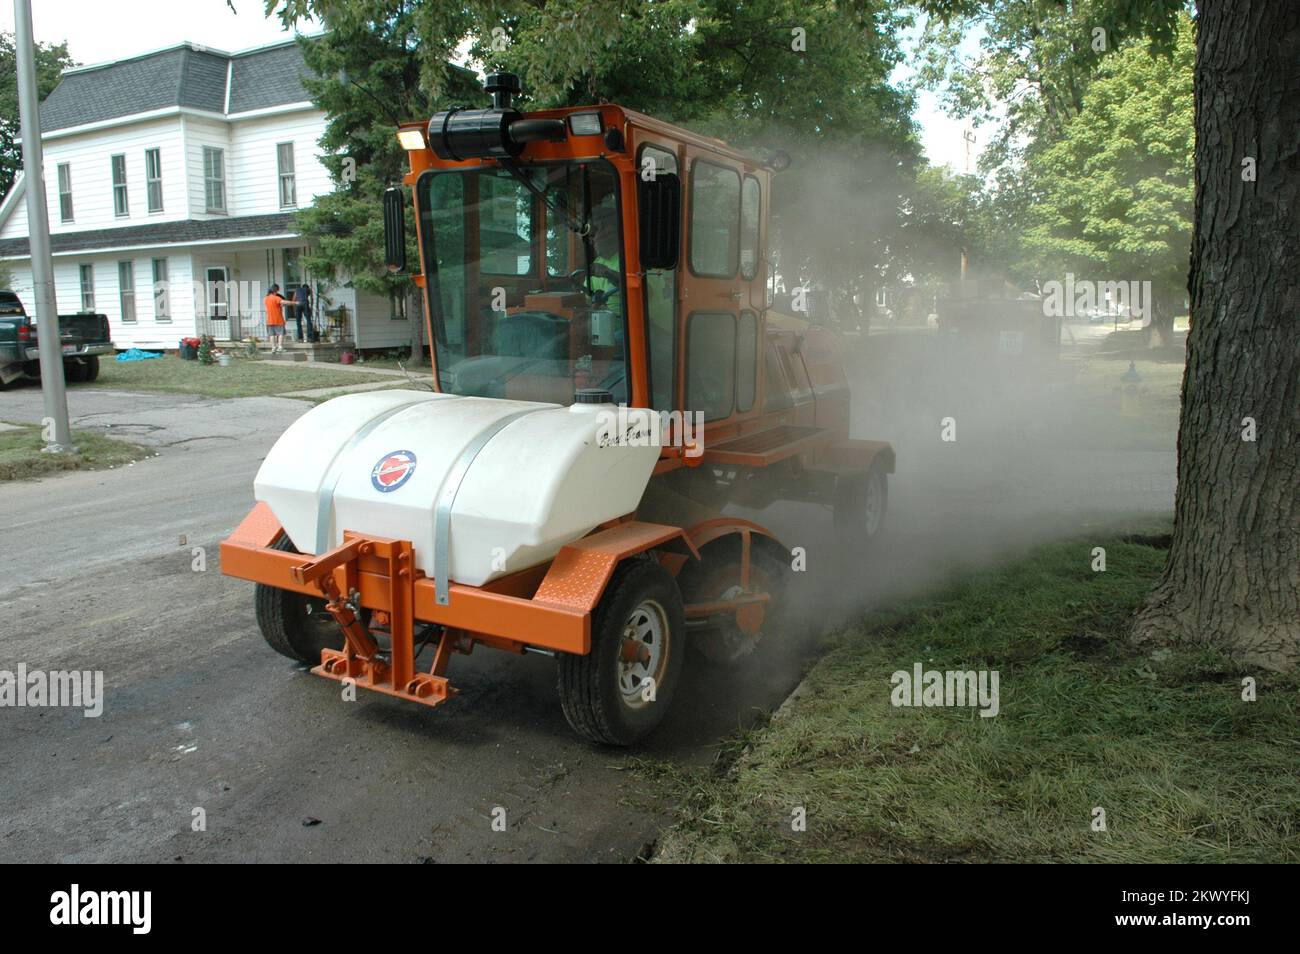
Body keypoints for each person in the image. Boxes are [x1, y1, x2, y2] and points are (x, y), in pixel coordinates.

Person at [263, 283, 293, 353]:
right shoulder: (277, 298)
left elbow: (267, 309)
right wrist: (294, 302)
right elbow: (283, 302)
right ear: (276, 291)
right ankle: (280, 347)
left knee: (272, 335)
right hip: (278, 319)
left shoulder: (266, 298)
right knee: (280, 333)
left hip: (269, 320)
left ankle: (273, 348)